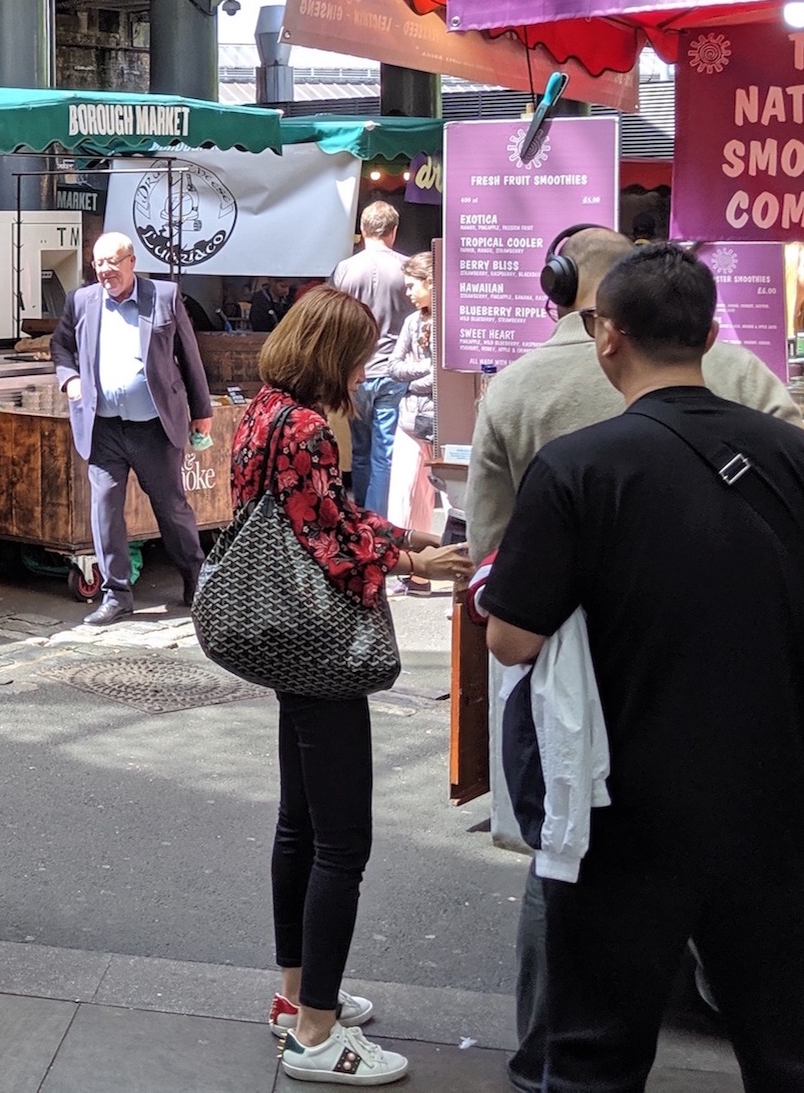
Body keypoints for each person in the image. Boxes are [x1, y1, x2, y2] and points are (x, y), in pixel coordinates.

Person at [464, 224, 799, 1093]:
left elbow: (510, 636)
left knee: (596, 1055)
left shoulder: (578, 466)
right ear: (714, 335)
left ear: (606, 335)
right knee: (785, 1044)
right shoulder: (792, 453)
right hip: (775, 790)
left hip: (621, 800)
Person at [231, 285, 471, 1084]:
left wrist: (408, 538)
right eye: (362, 353)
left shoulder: (264, 412)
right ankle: (318, 1034)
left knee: (299, 823)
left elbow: (323, 518)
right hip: (316, 644)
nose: (368, 368)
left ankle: (295, 994)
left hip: (276, 632)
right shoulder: (305, 427)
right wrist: (411, 559)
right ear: (335, 354)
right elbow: (331, 545)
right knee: (343, 841)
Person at [50, 231, 211, 625]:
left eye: (113, 262)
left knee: (171, 508)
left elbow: (190, 356)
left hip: (154, 427)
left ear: (131, 262)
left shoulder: (165, 296)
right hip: (104, 427)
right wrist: (69, 379)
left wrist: (201, 409)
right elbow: (61, 347)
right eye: (99, 263)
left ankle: (196, 580)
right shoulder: (82, 301)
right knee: (105, 509)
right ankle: (116, 594)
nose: (106, 271)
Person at [331, 202, 411, 511]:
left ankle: (361, 514)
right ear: (393, 232)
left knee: (360, 450)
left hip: (355, 371)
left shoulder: (344, 269)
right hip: (393, 370)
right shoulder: (408, 269)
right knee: (385, 451)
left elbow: (332, 317)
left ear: (363, 231)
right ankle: (379, 520)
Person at [384, 252, 439, 570]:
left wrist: (423, 375)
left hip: (442, 418)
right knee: (404, 493)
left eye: (411, 286)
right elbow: (393, 366)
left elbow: (445, 375)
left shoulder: (448, 320)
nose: (407, 292)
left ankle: (428, 567)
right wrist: (425, 370)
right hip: (410, 418)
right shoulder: (411, 321)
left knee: (435, 498)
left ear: (430, 282)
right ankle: (403, 565)